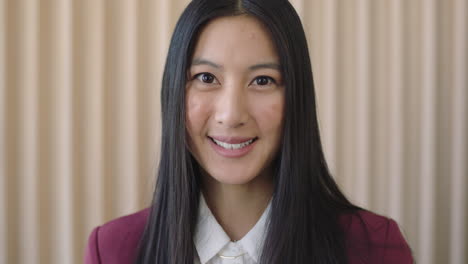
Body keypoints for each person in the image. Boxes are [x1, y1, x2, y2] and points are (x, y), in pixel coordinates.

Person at [84, 0, 413, 263]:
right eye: (206, 78)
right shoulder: (112, 251)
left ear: (296, 97)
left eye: (262, 81)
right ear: (175, 93)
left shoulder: (375, 248)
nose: (231, 115)